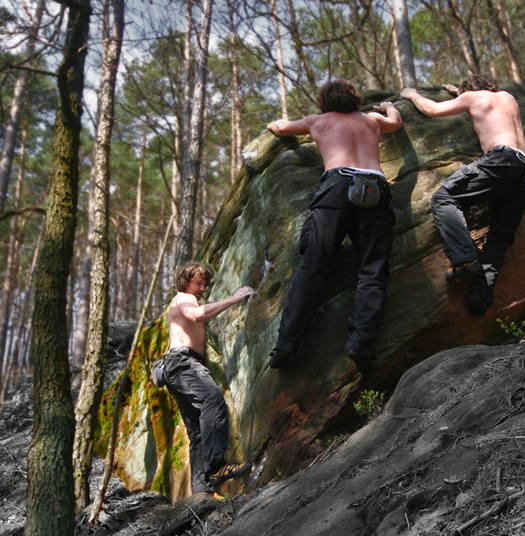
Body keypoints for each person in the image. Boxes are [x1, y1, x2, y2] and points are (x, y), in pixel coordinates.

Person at [266, 79, 403, 373]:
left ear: (324, 100)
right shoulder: (372, 119)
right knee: (372, 270)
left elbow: (280, 128)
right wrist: (390, 106)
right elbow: (396, 122)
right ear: (355, 98)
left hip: (336, 187)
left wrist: (275, 124)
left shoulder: (318, 121)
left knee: (312, 267)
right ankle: (361, 345)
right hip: (373, 188)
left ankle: (286, 345)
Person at [400, 74, 525, 315]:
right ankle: (480, 297)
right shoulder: (507, 98)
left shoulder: (472, 97)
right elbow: (490, 112)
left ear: (469, 90)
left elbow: (433, 110)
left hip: (501, 159)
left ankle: (466, 261)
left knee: (444, 198)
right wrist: (460, 93)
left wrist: (411, 95)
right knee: (500, 236)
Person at [153, 261, 255, 497]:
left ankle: (200, 491)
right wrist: (233, 299)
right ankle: (217, 466)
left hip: (178, 368)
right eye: (199, 283)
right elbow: (197, 315)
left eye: (205, 284)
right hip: (184, 364)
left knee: (197, 433)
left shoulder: (180, 301)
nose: (203, 288)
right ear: (186, 281)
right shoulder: (183, 298)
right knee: (213, 401)